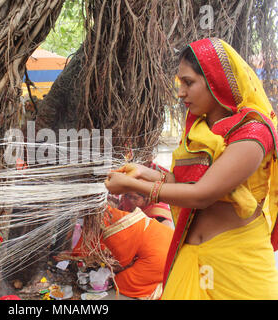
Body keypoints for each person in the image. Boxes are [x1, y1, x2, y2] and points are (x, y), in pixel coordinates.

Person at [104, 37, 278, 299]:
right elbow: (183, 182)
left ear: (215, 81)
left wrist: (132, 185)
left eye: (189, 82)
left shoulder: (253, 132)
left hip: (237, 264)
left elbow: (202, 193)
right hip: (190, 255)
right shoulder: (198, 130)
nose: (181, 92)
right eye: (180, 83)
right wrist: (144, 173)